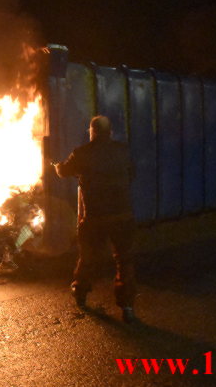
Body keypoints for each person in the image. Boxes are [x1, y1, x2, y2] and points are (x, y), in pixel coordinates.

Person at [53, 115, 137, 323]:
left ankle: (80, 292)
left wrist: (55, 165)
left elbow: (63, 171)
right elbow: (132, 174)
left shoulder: (82, 153)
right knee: (124, 260)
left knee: (88, 257)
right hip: (122, 216)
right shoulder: (123, 150)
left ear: (92, 132)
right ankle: (127, 307)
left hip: (95, 218)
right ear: (110, 133)